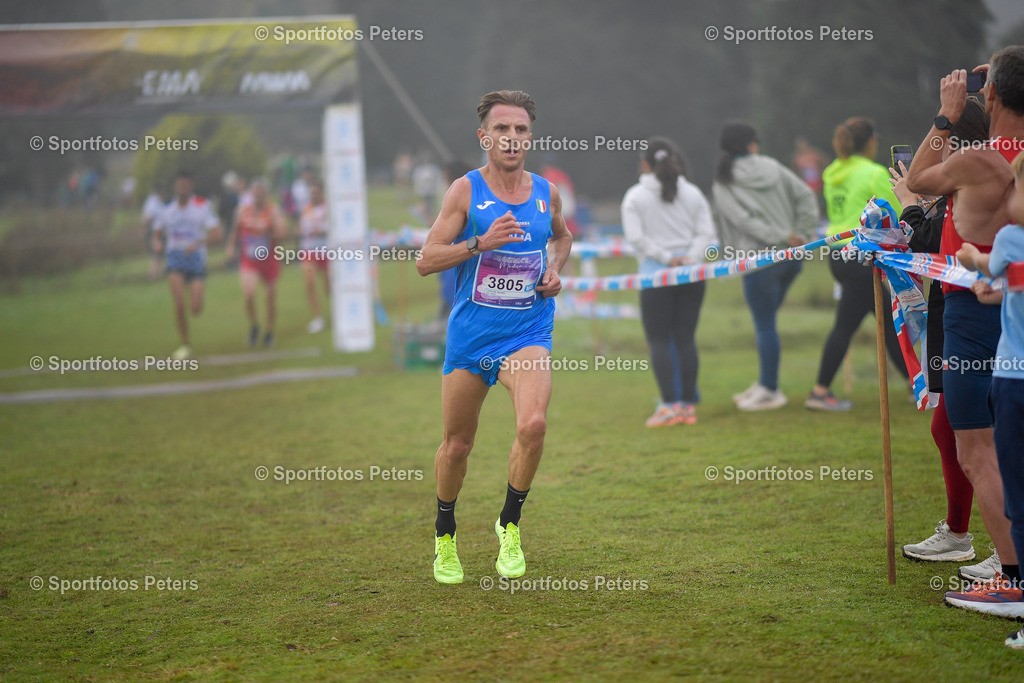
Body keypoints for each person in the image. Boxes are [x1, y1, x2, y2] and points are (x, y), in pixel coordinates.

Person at [416, 90, 572, 584]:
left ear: (530, 136)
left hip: (527, 330)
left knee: (533, 426)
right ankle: (445, 535)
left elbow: (563, 236)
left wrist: (553, 268)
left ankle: (509, 524)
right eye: (502, 130)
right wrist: (481, 242)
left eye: (520, 129)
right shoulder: (464, 191)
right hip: (471, 337)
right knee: (458, 445)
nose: (511, 138)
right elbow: (426, 260)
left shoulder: (546, 193)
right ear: (485, 137)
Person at [907, 58, 1021, 592]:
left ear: (990, 93)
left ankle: (1012, 574)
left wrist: (948, 114)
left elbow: (917, 178)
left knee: (975, 450)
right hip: (1011, 303)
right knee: (1008, 445)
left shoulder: (976, 160)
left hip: (974, 315)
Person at [895, 100, 990, 564]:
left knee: (973, 434)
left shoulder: (975, 172)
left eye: (944, 140)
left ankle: (992, 550)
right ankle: (962, 533)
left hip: (976, 314)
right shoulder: (973, 173)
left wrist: (911, 207)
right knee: (952, 429)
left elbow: (930, 240)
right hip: (960, 311)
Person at [951, 150, 1024, 644]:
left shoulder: (1011, 238)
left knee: (1017, 495)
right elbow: (1004, 288)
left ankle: (1017, 589)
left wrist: (971, 259)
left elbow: (987, 269)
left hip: (1014, 380)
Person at [713, 122, 819, 411]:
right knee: (767, 324)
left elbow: (742, 221)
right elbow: (806, 196)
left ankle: (771, 389)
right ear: (751, 144)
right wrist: (802, 235)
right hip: (791, 259)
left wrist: (782, 237)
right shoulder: (773, 166)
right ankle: (764, 382)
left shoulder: (723, 179)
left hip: (759, 261)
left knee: (764, 326)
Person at [806, 117, 909, 411]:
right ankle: (819, 391)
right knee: (846, 326)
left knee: (887, 323)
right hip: (860, 257)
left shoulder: (831, 173)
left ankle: (916, 384)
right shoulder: (872, 173)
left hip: (837, 254)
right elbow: (901, 207)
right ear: (871, 141)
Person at [622, 138, 715, 426]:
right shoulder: (694, 193)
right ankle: (687, 407)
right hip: (692, 274)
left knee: (659, 341)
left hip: (655, 276)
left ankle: (669, 406)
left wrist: (666, 258)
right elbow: (706, 233)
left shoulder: (635, 196)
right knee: (686, 339)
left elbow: (637, 238)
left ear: (645, 163)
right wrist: (689, 258)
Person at [151, 170, 223, 360]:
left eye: (186, 184)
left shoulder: (202, 205)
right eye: (179, 184)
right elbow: (156, 234)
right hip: (174, 257)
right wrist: (157, 244)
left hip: (196, 258)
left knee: (195, 308)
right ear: (175, 186)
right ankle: (185, 343)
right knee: (179, 303)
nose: (182, 187)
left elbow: (217, 233)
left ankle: (198, 295)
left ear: (191, 186)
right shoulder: (167, 210)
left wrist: (199, 243)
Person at [225, 179, 287, 348]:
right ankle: (254, 325)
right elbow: (235, 230)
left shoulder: (272, 211)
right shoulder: (243, 211)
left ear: (266, 195)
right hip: (249, 260)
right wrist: (230, 247)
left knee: (270, 298)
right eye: (256, 193)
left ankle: (269, 331)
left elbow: (283, 232)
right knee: (249, 294)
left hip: (269, 261)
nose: (258, 197)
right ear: (252, 195)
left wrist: (272, 230)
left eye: (261, 193)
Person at [299, 181, 330, 334]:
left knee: (329, 287)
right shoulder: (306, 209)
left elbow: (331, 227)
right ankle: (318, 318)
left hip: (327, 251)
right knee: (309, 283)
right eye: (312, 192)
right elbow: (303, 228)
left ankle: (338, 312)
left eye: (316, 192)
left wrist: (320, 230)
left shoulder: (329, 208)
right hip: (309, 250)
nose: (313, 195)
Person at [141, 186, 169, 280]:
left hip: (159, 230)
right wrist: (144, 228)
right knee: (156, 252)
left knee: (158, 252)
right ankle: (154, 273)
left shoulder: (156, 202)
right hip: (154, 231)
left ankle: (157, 273)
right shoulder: (153, 202)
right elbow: (149, 216)